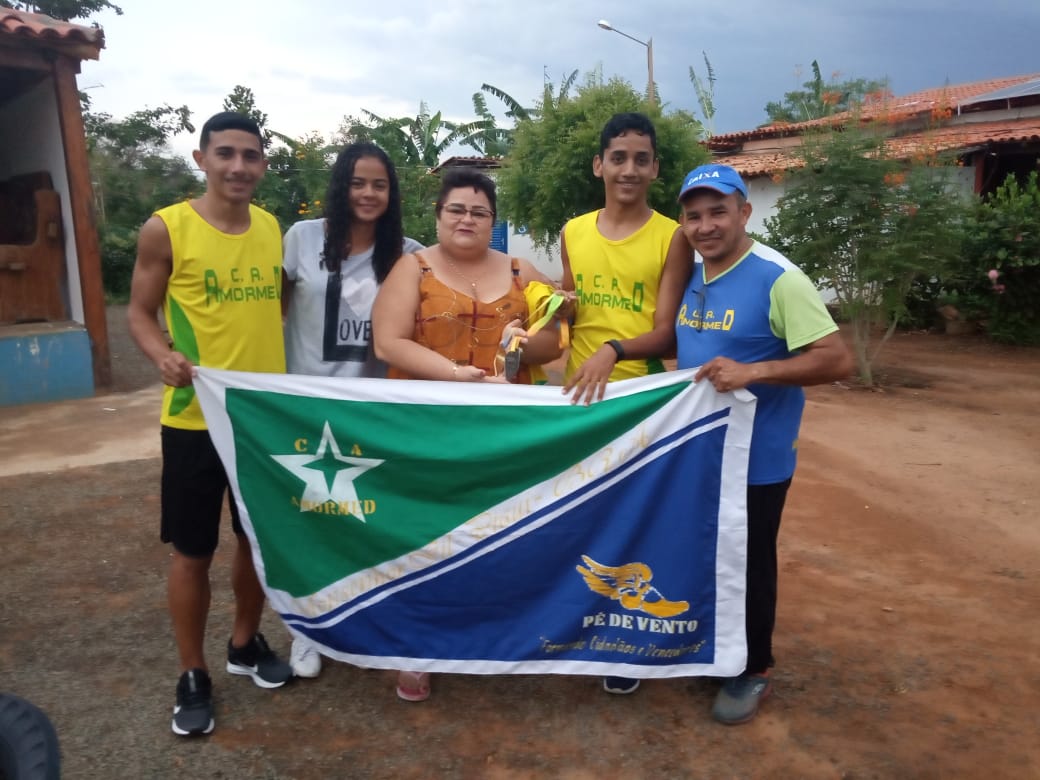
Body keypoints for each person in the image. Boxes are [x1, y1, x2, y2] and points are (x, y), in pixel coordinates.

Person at [372, 168, 567, 701]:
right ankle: (415, 647)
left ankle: (496, 634)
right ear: (437, 216)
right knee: (423, 537)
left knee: (501, 530)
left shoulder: (524, 270)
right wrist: (454, 375)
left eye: (479, 212)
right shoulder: (412, 268)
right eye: (457, 209)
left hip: (506, 431)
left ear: (493, 221)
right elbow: (388, 342)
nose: (467, 219)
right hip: (427, 427)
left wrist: (522, 343)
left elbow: (554, 343)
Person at [127, 112, 293, 738]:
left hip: (261, 422)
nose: (238, 167)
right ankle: (192, 673)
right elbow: (140, 314)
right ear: (201, 159)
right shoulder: (166, 229)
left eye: (250, 156)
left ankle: (244, 644)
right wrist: (161, 354)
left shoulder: (272, 227)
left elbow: (275, 303)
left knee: (255, 539)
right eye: (225, 154)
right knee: (193, 550)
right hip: (194, 419)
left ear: (263, 165)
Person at [674, 163, 854, 724]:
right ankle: (717, 655)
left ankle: (754, 669)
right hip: (702, 453)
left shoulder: (779, 278)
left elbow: (836, 359)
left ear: (744, 212)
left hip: (758, 459)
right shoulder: (695, 276)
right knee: (707, 553)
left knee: (749, 562)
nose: (706, 226)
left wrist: (755, 373)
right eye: (694, 216)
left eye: (718, 212)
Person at [559, 112, 692, 695]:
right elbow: (568, 317)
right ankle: (566, 627)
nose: (629, 169)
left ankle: (621, 642)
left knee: (630, 525)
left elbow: (669, 334)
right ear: (599, 165)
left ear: (655, 168)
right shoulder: (572, 232)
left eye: (641, 159)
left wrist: (614, 349)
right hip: (573, 399)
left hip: (638, 402)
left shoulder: (673, 236)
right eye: (619, 157)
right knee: (572, 518)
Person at [281, 141, 423, 678]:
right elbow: (271, 314)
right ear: (341, 185)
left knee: (372, 524)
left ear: (392, 192)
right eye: (358, 182)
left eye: (379, 184)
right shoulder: (301, 238)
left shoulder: (408, 253)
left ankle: (370, 623)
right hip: (308, 409)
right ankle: (305, 631)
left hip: (375, 409)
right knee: (310, 525)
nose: (368, 193)